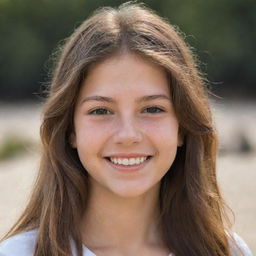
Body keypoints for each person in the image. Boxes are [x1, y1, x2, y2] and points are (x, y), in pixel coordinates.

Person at [0, 2, 253, 256]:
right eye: (101, 111)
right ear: (70, 130)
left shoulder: (228, 251)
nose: (128, 135)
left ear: (183, 127)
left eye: (153, 109)